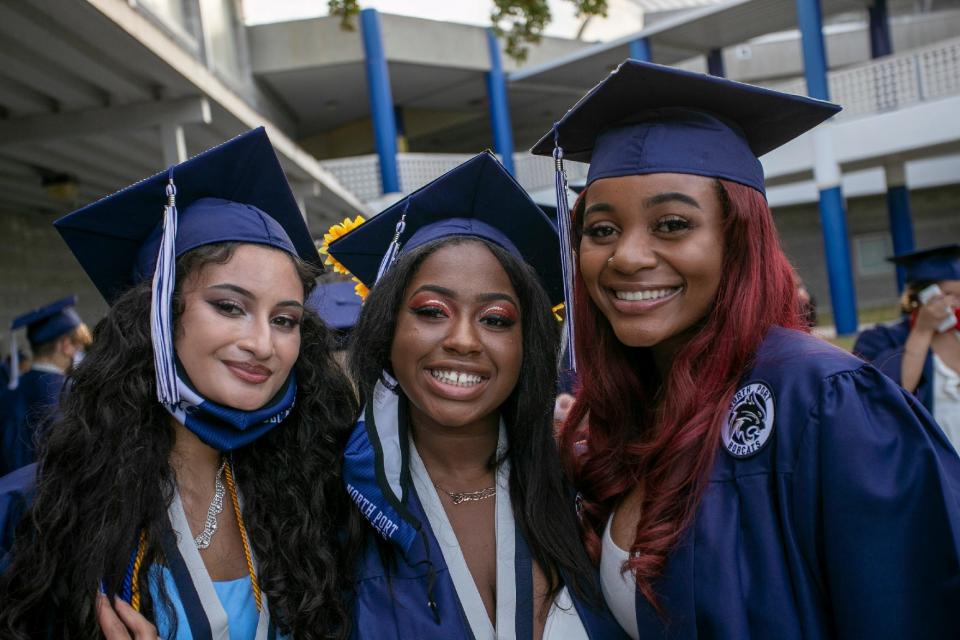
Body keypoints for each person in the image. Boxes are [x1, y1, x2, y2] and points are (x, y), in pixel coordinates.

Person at [529, 60, 960, 638]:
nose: (627, 256)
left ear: (738, 239)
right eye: (602, 230)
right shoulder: (630, 410)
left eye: (673, 223)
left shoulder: (826, 401)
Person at [0, 128, 358, 639]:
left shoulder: (316, 488)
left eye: (285, 319)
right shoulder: (41, 508)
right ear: (158, 315)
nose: (263, 343)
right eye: (229, 307)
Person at [327, 151, 626, 639]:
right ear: (387, 331)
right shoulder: (327, 503)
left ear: (526, 343)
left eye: (496, 319)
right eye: (431, 311)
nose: (464, 339)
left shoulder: (588, 484)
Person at [854, 244, 960, 449]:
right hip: (933, 461)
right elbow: (890, 398)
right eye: (950, 295)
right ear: (923, 295)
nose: (957, 304)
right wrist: (923, 331)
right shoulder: (882, 339)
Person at [0, 296, 91, 475]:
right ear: (65, 345)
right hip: (51, 497)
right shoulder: (70, 395)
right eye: (78, 347)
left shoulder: (7, 395)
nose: (79, 354)